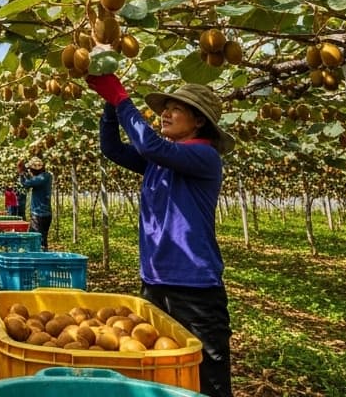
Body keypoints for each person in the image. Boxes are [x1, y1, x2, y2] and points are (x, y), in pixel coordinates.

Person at [86, 72, 236, 397]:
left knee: (208, 376)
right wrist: (111, 107)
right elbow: (112, 148)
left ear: (198, 121)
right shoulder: (160, 160)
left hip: (194, 287)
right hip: (154, 281)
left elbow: (149, 144)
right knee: (157, 365)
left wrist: (122, 97)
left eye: (175, 109)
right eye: (164, 107)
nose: (164, 114)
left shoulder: (204, 156)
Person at [17, 158, 53, 249]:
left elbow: (26, 184)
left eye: (31, 170)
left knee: (38, 239)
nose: (30, 172)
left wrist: (21, 173)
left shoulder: (42, 178)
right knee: (38, 238)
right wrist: (25, 172)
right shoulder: (46, 176)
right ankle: (41, 255)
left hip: (40, 214)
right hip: (42, 214)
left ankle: (42, 257)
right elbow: (32, 180)